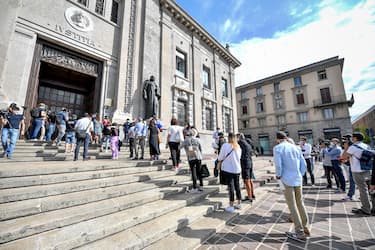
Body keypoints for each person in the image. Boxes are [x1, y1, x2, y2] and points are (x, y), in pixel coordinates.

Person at [273, 131, 309, 241]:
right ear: (286, 137)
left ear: (277, 139)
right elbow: (304, 164)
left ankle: (299, 232)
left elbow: (278, 165)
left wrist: (278, 176)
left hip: (286, 178)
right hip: (297, 178)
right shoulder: (296, 147)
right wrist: (300, 174)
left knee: (292, 205)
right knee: (300, 203)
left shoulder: (277, 148)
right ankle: (305, 226)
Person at [342, 132, 375, 215]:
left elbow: (343, 157)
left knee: (363, 190)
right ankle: (374, 208)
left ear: (355, 138)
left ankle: (366, 209)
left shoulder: (353, 147)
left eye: (352, 137)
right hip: (367, 169)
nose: (351, 139)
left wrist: (346, 148)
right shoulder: (366, 145)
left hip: (357, 171)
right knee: (371, 189)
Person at [218, 132, 242, 213]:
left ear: (228, 138)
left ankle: (231, 205)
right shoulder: (238, 146)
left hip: (228, 169)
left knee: (231, 187)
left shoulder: (225, 145)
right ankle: (239, 203)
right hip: (237, 169)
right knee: (237, 186)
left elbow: (220, 157)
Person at [237, 133, 254, 202]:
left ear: (239, 137)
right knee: (249, 180)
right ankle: (252, 194)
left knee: (247, 180)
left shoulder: (240, 142)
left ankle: (249, 198)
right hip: (250, 162)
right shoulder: (247, 143)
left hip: (245, 164)